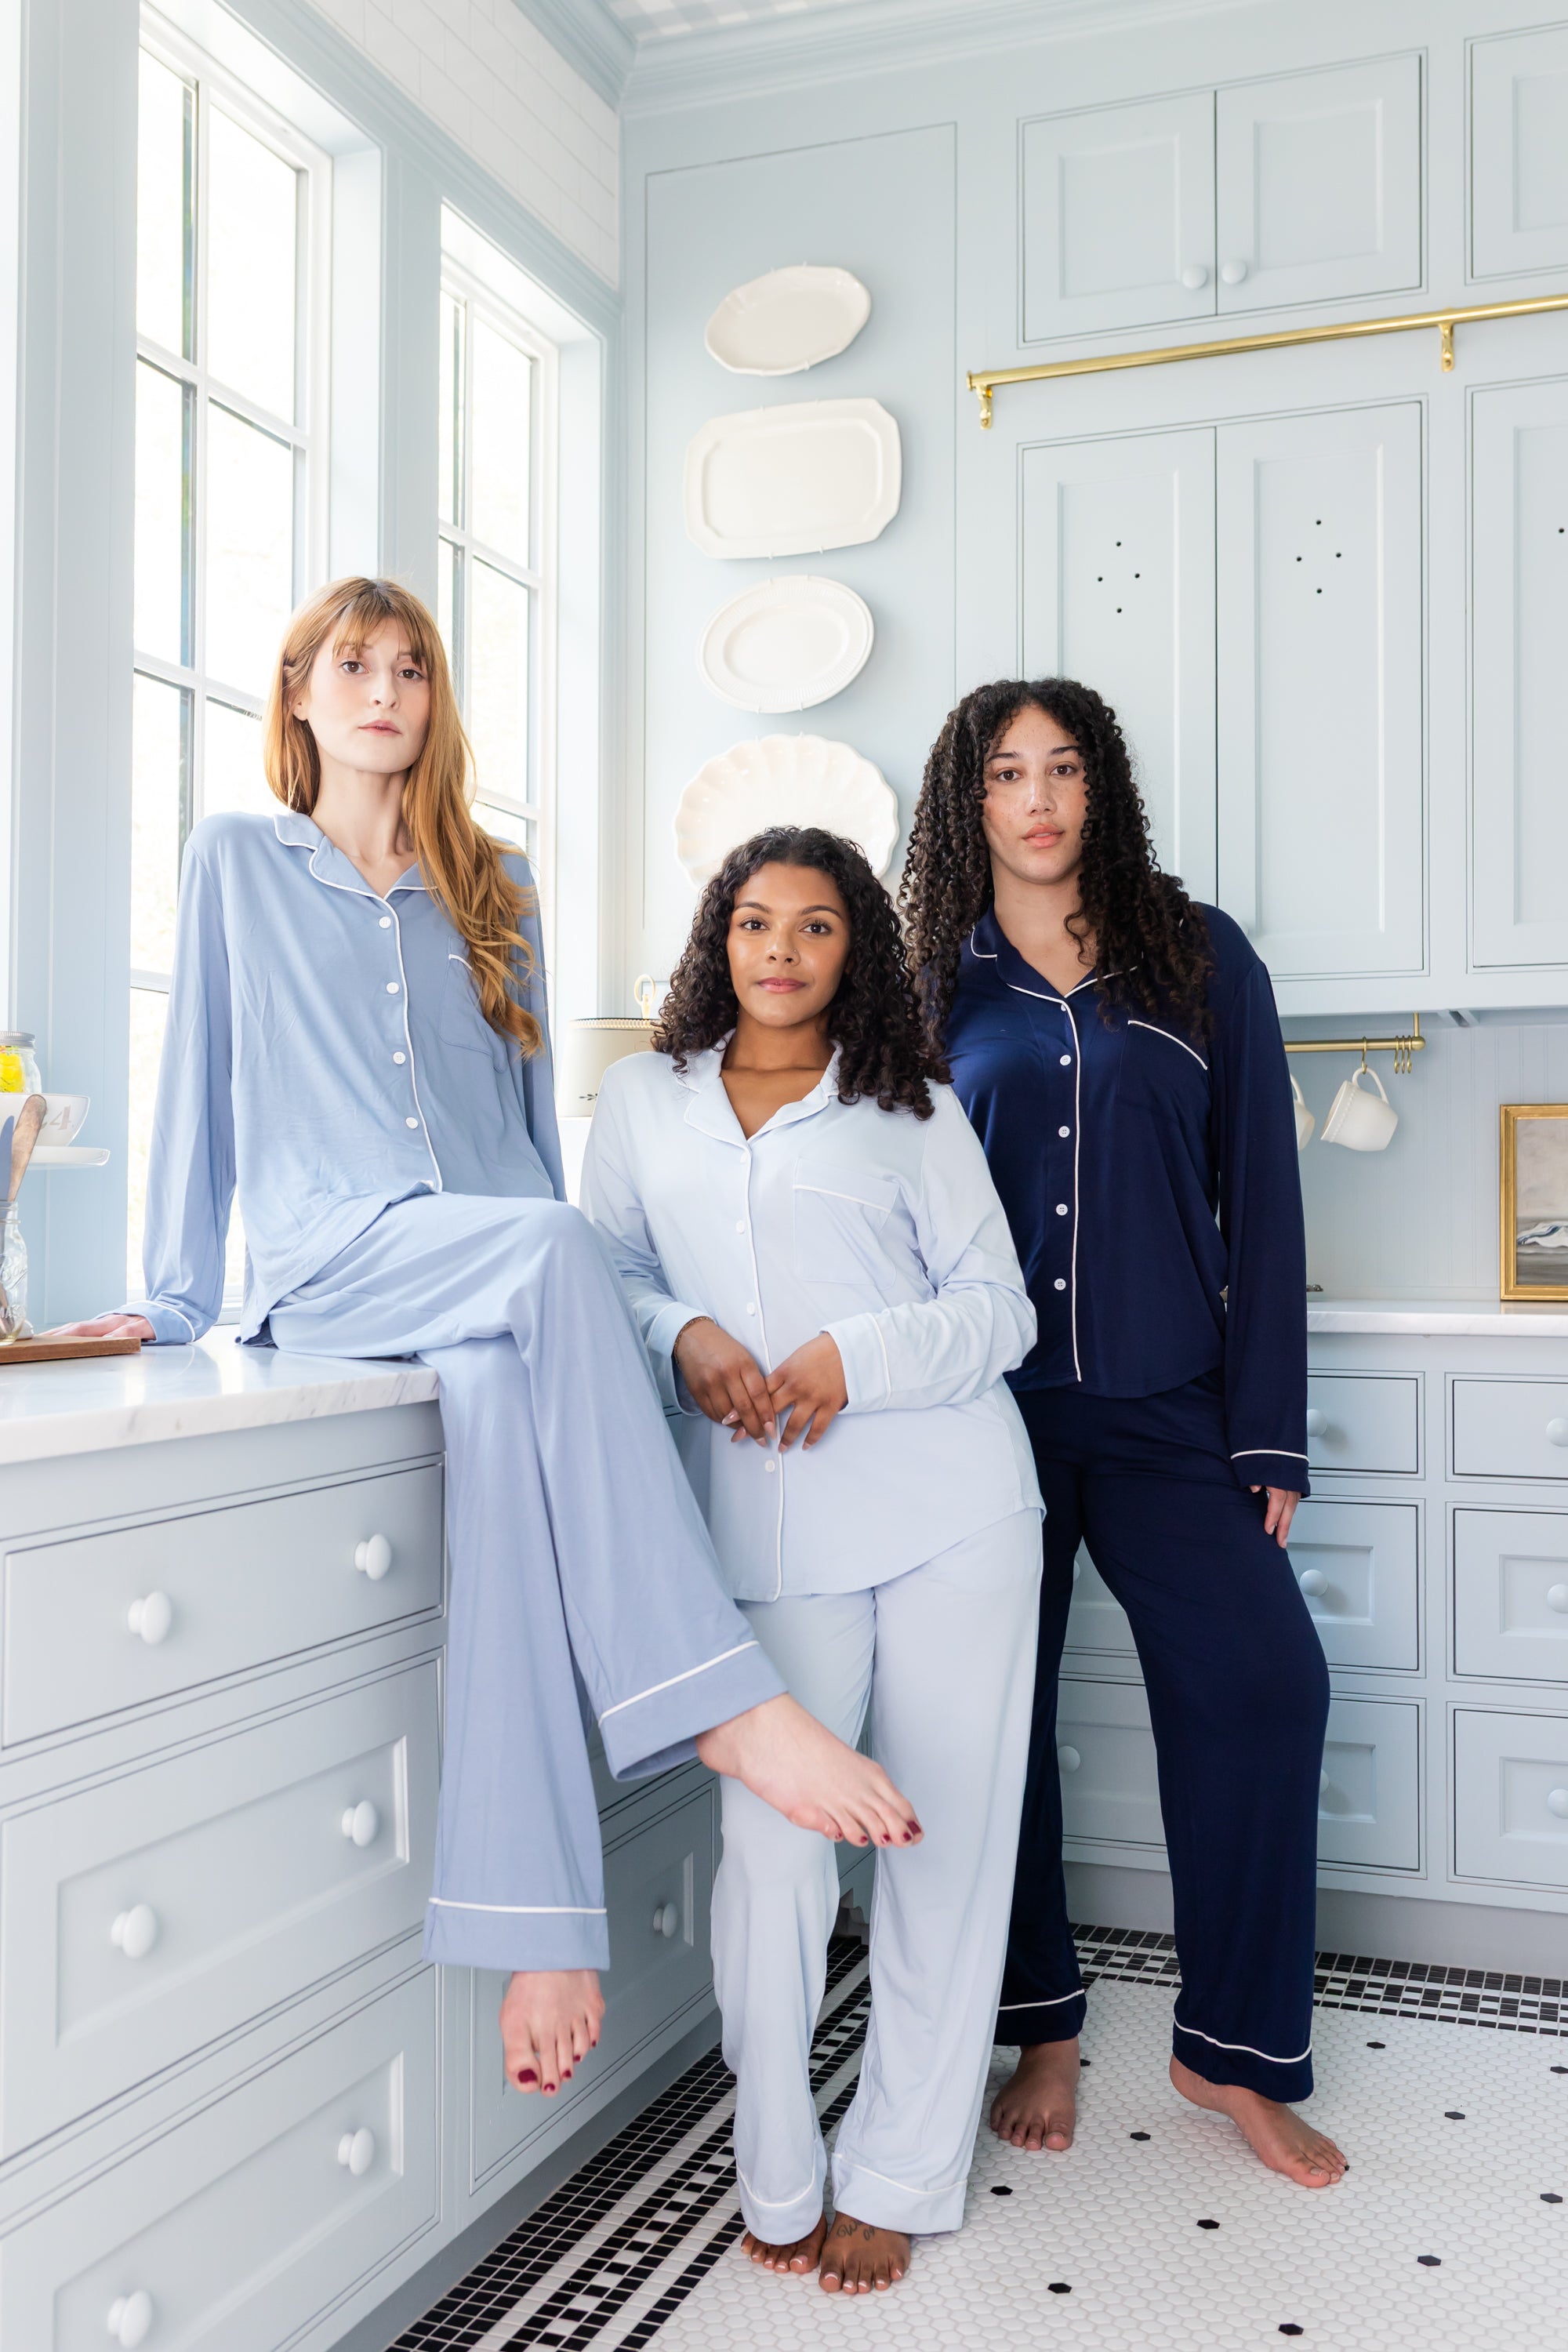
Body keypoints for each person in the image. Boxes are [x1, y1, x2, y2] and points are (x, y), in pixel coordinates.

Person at [62, 578, 922, 2103]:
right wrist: (181, 1302)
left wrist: (560, 1325)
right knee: (546, 1252)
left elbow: (528, 1153)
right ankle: (721, 1703)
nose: (384, 688)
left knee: (512, 1493)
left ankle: (541, 1928)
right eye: (353, 664)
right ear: (299, 692)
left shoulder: (500, 892)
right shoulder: (235, 864)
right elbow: (193, 1079)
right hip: (335, 1258)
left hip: (485, 1272)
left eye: (412, 667)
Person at [581, 827, 1044, 2296]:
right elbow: (601, 1271)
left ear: (859, 952)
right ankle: (775, 2165)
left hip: (957, 1508)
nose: (781, 951)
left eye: (818, 927)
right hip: (770, 1531)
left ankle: (901, 2170)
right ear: (718, 935)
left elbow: (1002, 1312)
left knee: (943, 1854)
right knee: (773, 1867)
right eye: (755, 922)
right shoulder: (641, 1100)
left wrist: (855, 1354)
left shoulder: (908, 1105)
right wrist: (683, 1335)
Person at [900, 679, 1345, 2190]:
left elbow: (1265, 1205)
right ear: (969, 801)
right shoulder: (923, 986)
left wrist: (1266, 1438)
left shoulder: (1201, 958)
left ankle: (1231, 2051)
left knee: (1267, 1681)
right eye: (1006, 773)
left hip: (1171, 1416)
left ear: (1102, 789)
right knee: (990, 1726)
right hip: (984, 1422)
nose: (1037, 798)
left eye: (1064, 768)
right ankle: (1042, 2024)